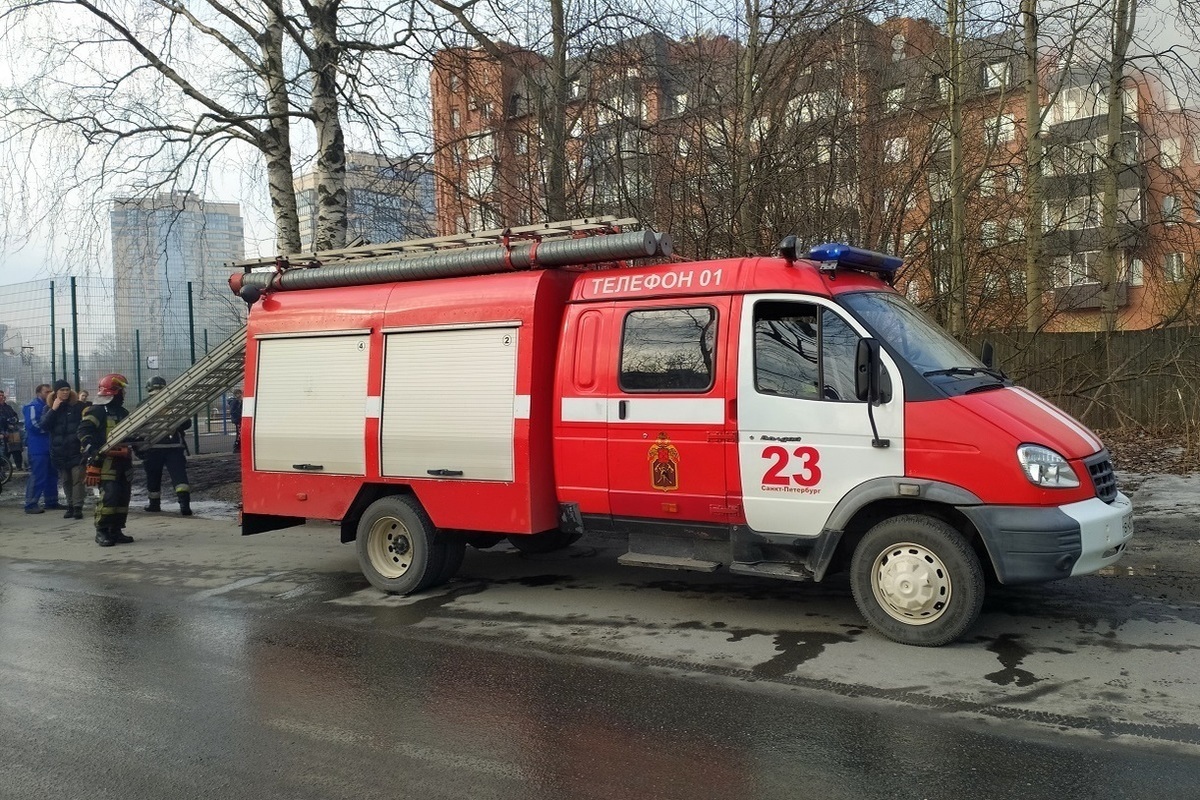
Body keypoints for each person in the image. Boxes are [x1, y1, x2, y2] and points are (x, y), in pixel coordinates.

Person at [79, 374, 135, 546]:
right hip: (105, 463)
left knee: (122, 497)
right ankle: (102, 531)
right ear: (114, 391)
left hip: (123, 462)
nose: (124, 394)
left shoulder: (123, 412)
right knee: (109, 497)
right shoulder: (96, 411)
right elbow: (83, 432)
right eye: (121, 390)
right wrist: (92, 450)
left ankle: (116, 530)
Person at [139, 376, 191, 515]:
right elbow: (187, 424)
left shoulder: (143, 405)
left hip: (152, 447)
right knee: (179, 477)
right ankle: (184, 505)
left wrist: (138, 449)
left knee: (153, 476)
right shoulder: (174, 405)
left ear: (148, 388)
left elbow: (137, 429)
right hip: (174, 447)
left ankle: (154, 504)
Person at [41, 379, 86, 520]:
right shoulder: (49, 408)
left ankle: (78, 507)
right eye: (62, 390)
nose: (65, 392)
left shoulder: (78, 406)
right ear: (56, 392)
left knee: (77, 479)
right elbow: (44, 426)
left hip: (76, 450)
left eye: (67, 389)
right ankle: (70, 505)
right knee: (66, 480)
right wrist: (54, 409)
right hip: (59, 451)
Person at [23, 383, 61, 513]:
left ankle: (51, 501)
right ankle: (30, 503)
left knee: (52, 474)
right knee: (38, 475)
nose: (50, 394)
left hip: (49, 447)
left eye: (51, 391)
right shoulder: (33, 407)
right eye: (47, 392)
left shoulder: (49, 406)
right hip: (38, 448)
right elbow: (33, 425)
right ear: (39, 393)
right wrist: (50, 430)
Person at [0, 390, 21, 471]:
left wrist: (14, 420)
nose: (1, 397)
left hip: (12, 433)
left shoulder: (8, 407)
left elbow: (15, 416)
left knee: (16, 450)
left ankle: (19, 466)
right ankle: (4, 468)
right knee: (4, 451)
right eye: (0, 395)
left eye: (2, 395)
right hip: (2, 434)